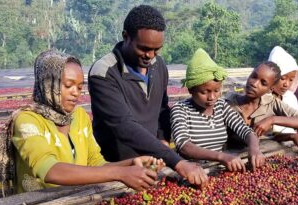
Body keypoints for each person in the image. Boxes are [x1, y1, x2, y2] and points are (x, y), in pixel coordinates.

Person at [0, 50, 165, 196]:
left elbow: (96, 163)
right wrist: (121, 173)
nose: (75, 93)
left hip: (77, 201)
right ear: (48, 83)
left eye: (80, 87)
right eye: (68, 85)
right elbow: (49, 170)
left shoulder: (80, 117)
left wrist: (132, 163)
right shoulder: (27, 120)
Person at [88, 5, 208, 186]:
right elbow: (123, 125)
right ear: (126, 36)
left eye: (156, 50)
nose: (150, 56)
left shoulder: (158, 65)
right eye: (143, 48)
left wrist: (162, 141)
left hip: (152, 165)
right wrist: (177, 161)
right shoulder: (104, 73)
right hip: (117, 169)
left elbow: (161, 108)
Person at [170, 49, 265, 172]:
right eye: (204, 92)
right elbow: (183, 146)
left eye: (216, 91)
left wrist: (254, 149)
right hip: (191, 171)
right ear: (191, 90)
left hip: (217, 168)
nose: (212, 97)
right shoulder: (181, 110)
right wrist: (220, 156)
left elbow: (245, 130)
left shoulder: (221, 106)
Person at [226, 61, 298, 154]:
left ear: (270, 89)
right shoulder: (229, 104)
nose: (254, 84)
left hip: (264, 153)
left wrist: (272, 120)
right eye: (253, 76)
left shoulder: (271, 102)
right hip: (232, 158)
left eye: (263, 83)